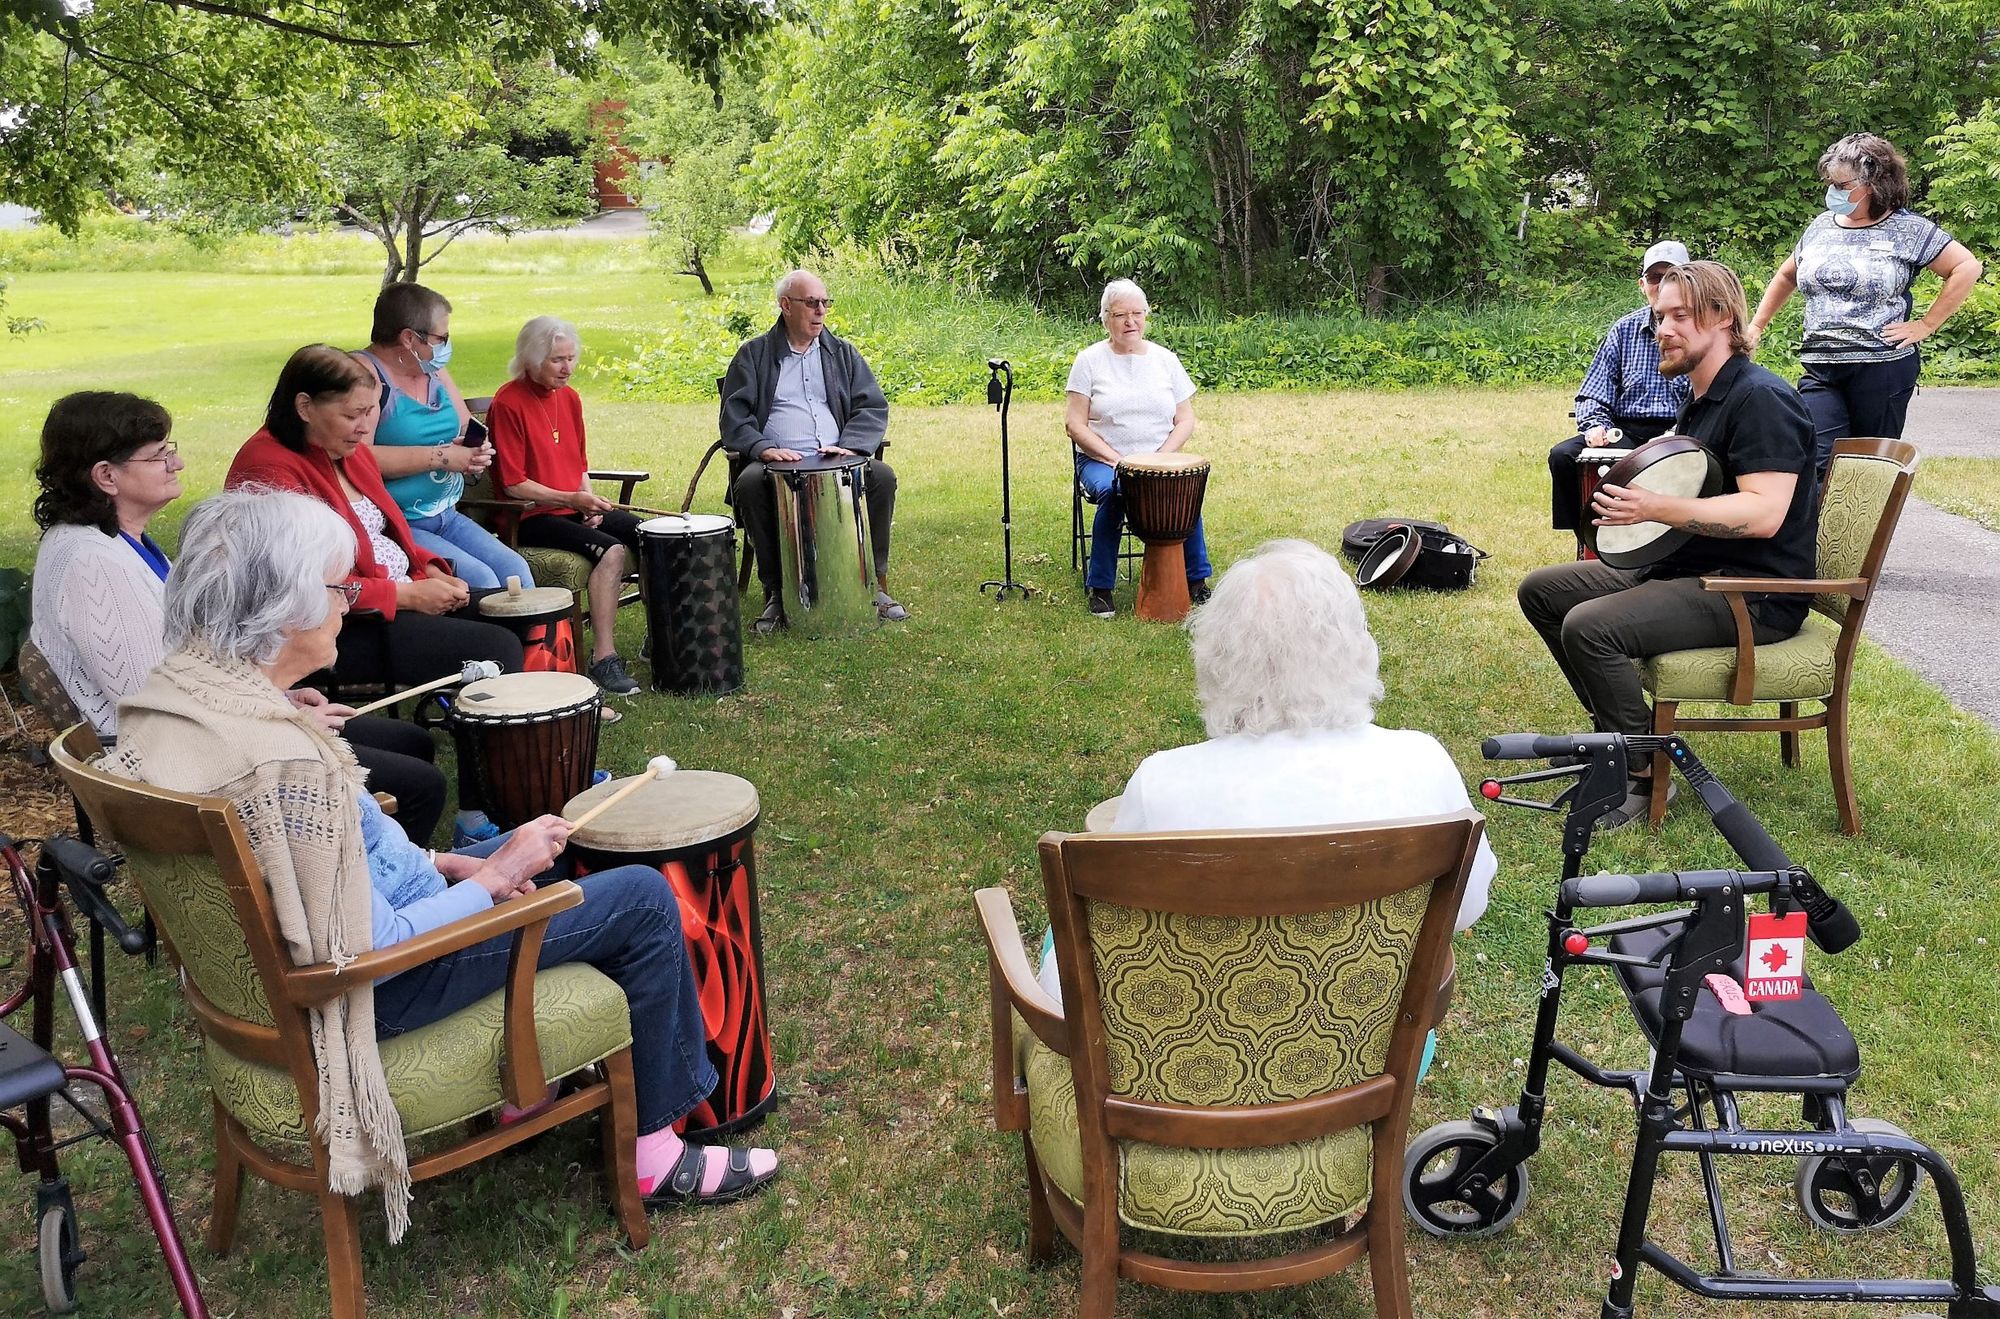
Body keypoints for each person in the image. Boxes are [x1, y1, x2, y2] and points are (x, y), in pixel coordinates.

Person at [102, 488, 778, 1240]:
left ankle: (535, 1083)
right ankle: (655, 1151)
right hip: (375, 990)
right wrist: (490, 880)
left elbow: (338, 867)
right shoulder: (283, 766)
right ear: (283, 608)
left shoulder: (186, 707)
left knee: (550, 845)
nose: (347, 601)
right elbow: (372, 949)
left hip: (294, 976)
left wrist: (446, 859)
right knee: (643, 899)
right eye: (337, 586)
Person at [1037, 539, 1496, 1084]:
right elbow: (1464, 910)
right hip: (1364, 1072)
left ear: (1216, 654)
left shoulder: (1163, 783)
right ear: (1354, 646)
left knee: (1065, 927)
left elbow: (1074, 987)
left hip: (1174, 1088)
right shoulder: (1423, 763)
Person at [28, 390, 447, 844]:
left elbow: (186, 664)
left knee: (414, 743)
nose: (178, 463)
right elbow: (150, 699)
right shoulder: (92, 565)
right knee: (417, 783)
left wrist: (274, 694)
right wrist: (275, 716)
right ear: (106, 476)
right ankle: (378, 893)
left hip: (209, 731)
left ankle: (388, 874)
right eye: (159, 455)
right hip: (183, 769)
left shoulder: (118, 542)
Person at [1519, 261, 1818, 831]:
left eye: (1681, 315)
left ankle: (1642, 772)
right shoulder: (1702, 396)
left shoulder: (1761, 399)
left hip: (1750, 592)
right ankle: (1615, 734)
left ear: (1724, 318)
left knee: (1591, 626)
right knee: (1544, 591)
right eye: (1660, 316)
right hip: (1690, 568)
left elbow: (1764, 513)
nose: (1664, 328)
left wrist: (1657, 508)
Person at [228, 345, 525, 845]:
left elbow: (391, 530)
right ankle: (478, 817)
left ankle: (510, 782)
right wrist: (407, 597)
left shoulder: (348, 450)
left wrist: (431, 568)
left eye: (371, 412)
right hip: (333, 629)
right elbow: (304, 587)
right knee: (496, 649)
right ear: (304, 407)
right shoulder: (268, 467)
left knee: (507, 615)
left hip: (389, 599)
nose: (367, 427)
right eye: (353, 414)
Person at [1748, 133, 1984, 470]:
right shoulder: (1820, 227)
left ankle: (1867, 524)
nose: (1834, 192)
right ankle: (1818, 524)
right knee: (1813, 458)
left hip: (1881, 369)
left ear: (1874, 183)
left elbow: (1966, 266)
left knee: (1869, 466)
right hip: (1821, 367)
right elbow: (1787, 275)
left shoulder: (1909, 229)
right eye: (1831, 183)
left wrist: (1926, 325)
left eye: (1842, 185)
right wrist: (1757, 325)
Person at [721, 269, 906, 633]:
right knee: (749, 484)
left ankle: (875, 585)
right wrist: (763, 448)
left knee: (882, 477)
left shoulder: (842, 353)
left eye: (825, 302)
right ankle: (776, 592)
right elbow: (734, 415)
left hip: (835, 457)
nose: (820, 311)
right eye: (812, 303)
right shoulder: (754, 355)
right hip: (778, 461)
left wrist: (851, 446)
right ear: (786, 306)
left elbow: (871, 406)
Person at [486, 316, 643, 696]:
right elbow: (512, 482)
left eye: (571, 358)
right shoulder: (508, 403)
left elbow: (579, 464)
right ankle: (604, 658)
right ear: (530, 358)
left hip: (572, 504)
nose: (567, 368)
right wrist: (573, 499)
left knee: (648, 533)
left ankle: (662, 641)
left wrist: (587, 501)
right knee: (611, 550)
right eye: (557, 360)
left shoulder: (570, 399)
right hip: (529, 515)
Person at [353, 282, 536, 592]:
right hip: (396, 524)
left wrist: (476, 450)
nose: (446, 346)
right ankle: (493, 642)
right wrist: (442, 457)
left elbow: (466, 426)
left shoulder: (431, 369)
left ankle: (533, 641)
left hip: (447, 515)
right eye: (442, 338)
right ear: (409, 338)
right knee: (482, 583)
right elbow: (357, 456)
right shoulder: (364, 376)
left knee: (515, 570)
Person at [1065, 278, 1213, 619]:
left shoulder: (1165, 360)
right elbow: (1074, 424)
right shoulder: (1089, 361)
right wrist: (1119, 460)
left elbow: (1185, 420)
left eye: (1137, 313)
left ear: (1146, 316)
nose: (1130, 322)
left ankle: (1197, 582)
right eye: (1120, 315)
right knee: (1117, 493)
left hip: (1159, 458)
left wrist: (1160, 459)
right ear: (1105, 319)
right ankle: (1101, 587)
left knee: (1182, 492)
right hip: (1102, 459)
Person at [1545, 241, 1694, 537]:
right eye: (1655, 278)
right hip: (1625, 430)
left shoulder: (1700, 329)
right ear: (1642, 285)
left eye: (1671, 276)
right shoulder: (1623, 330)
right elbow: (1593, 392)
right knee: (1563, 456)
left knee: (1637, 466)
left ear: (1689, 283)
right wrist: (1595, 425)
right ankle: (1586, 538)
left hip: (1682, 428)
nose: (1662, 285)